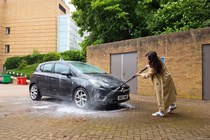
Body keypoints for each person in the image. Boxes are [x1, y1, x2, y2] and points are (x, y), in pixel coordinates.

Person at [137, 51, 177, 117]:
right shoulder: (158, 60)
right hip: (167, 78)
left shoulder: (155, 66)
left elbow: (148, 74)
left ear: (152, 59)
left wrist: (139, 74)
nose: (147, 59)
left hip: (163, 81)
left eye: (148, 58)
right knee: (168, 93)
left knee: (161, 95)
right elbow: (151, 67)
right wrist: (148, 66)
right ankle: (172, 105)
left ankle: (161, 111)